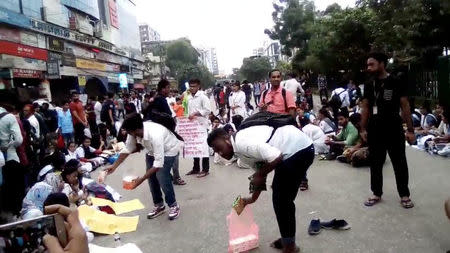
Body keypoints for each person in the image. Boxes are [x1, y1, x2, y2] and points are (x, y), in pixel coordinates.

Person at [207, 125, 314, 253]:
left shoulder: (241, 143)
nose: (221, 154)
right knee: (281, 196)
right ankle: (288, 240)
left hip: (298, 149)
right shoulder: (240, 153)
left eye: (219, 148)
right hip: (295, 150)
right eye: (216, 152)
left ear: (226, 138)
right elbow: (259, 172)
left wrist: (259, 174)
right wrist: (252, 198)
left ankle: (290, 246)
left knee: (282, 201)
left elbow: (276, 157)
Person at [360, 52, 415, 208]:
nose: (368, 67)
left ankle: (404, 194)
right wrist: (363, 128)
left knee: (399, 162)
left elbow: (405, 106)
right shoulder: (369, 84)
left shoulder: (396, 81)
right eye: (368, 65)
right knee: (375, 162)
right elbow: (365, 107)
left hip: (393, 127)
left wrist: (410, 130)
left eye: (372, 64)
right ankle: (376, 193)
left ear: (382, 63)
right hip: (375, 128)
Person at [105, 113, 181, 220]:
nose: (129, 135)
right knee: (152, 178)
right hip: (152, 151)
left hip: (169, 149)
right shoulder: (133, 132)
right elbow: (128, 148)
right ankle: (159, 205)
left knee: (162, 176)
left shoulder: (155, 134)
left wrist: (141, 180)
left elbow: (158, 164)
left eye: (129, 132)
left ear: (136, 130)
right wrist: (114, 166)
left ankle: (173, 205)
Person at [145, 79, 186, 186]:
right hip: (166, 131)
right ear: (163, 88)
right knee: (174, 153)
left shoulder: (154, 99)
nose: (169, 90)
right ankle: (176, 177)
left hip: (156, 132)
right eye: (167, 87)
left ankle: (168, 176)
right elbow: (168, 116)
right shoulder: (161, 100)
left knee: (160, 155)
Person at [0, 92, 24, 217]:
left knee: (4, 189)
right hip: (10, 157)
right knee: (15, 188)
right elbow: (19, 140)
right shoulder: (9, 117)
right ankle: (17, 214)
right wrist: (9, 145)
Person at [185, 79, 212, 178]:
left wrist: (196, 113)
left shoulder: (203, 97)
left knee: (204, 147)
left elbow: (208, 110)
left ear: (198, 86)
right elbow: (187, 111)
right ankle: (196, 168)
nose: (192, 88)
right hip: (193, 126)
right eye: (190, 86)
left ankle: (205, 169)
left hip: (202, 125)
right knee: (194, 147)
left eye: (194, 86)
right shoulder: (188, 98)